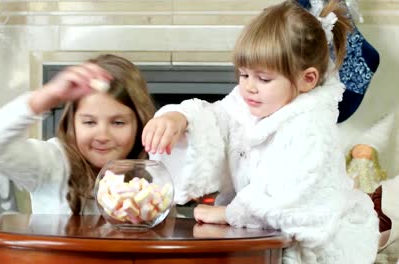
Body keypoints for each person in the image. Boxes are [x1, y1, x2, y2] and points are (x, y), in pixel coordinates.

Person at [142, 1, 379, 263]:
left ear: (307, 79)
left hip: (320, 248)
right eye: (243, 75)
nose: (249, 87)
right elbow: (218, 120)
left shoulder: (311, 126)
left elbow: (291, 194)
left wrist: (229, 214)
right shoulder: (247, 103)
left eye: (264, 79)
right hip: (259, 231)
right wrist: (181, 119)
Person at [0, 54, 156, 215]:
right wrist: (44, 98)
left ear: (139, 123)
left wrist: (178, 118)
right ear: (72, 122)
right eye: (89, 122)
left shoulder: (153, 171)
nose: (102, 135)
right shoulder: (51, 164)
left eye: (118, 122)